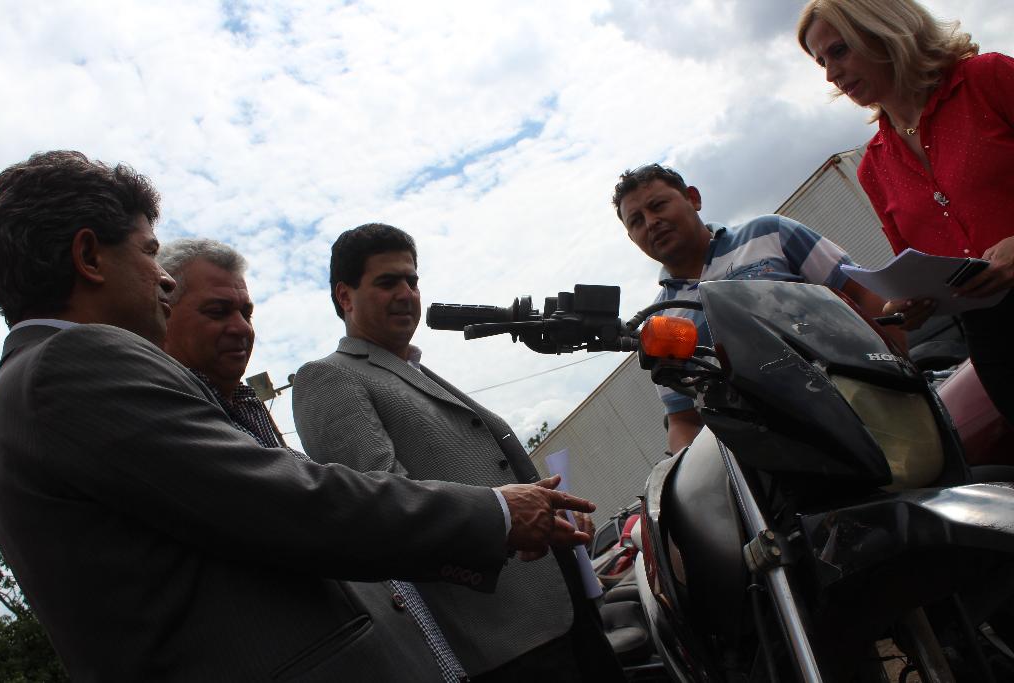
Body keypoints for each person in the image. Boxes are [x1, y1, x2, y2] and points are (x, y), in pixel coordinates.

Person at [0, 151, 594, 682]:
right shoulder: (72, 360)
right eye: (150, 252)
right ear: (90, 257)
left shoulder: (33, 382)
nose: (163, 277)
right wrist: (495, 511)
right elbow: (282, 504)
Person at [292, 223, 623, 682]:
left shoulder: (415, 373)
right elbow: (385, 507)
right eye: (388, 282)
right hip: (502, 642)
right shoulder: (329, 378)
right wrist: (508, 524)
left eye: (413, 280)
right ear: (345, 297)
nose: (407, 293)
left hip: (561, 609)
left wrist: (554, 519)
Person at [158, 237, 471, 681]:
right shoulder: (180, 430)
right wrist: (499, 514)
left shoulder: (245, 414)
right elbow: (353, 514)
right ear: (161, 313)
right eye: (217, 311)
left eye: (246, 312)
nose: (242, 328)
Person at [797, 0, 1014, 425]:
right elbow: (916, 263)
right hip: (995, 343)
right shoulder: (874, 167)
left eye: (839, 50)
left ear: (885, 31)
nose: (829, 73)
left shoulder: (987, 78)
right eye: (820, 61)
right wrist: (911, 303)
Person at [613, 164, 898, 453]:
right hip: (775, 461)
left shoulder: (771, 233)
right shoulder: (661, 322)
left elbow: (864, 296)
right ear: (631, 237)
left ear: (693, 198)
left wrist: (900, 383)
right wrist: (676, 472)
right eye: (636, 221)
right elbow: (684, 419)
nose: (651, 222)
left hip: (868, 414)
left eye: (658, 205)